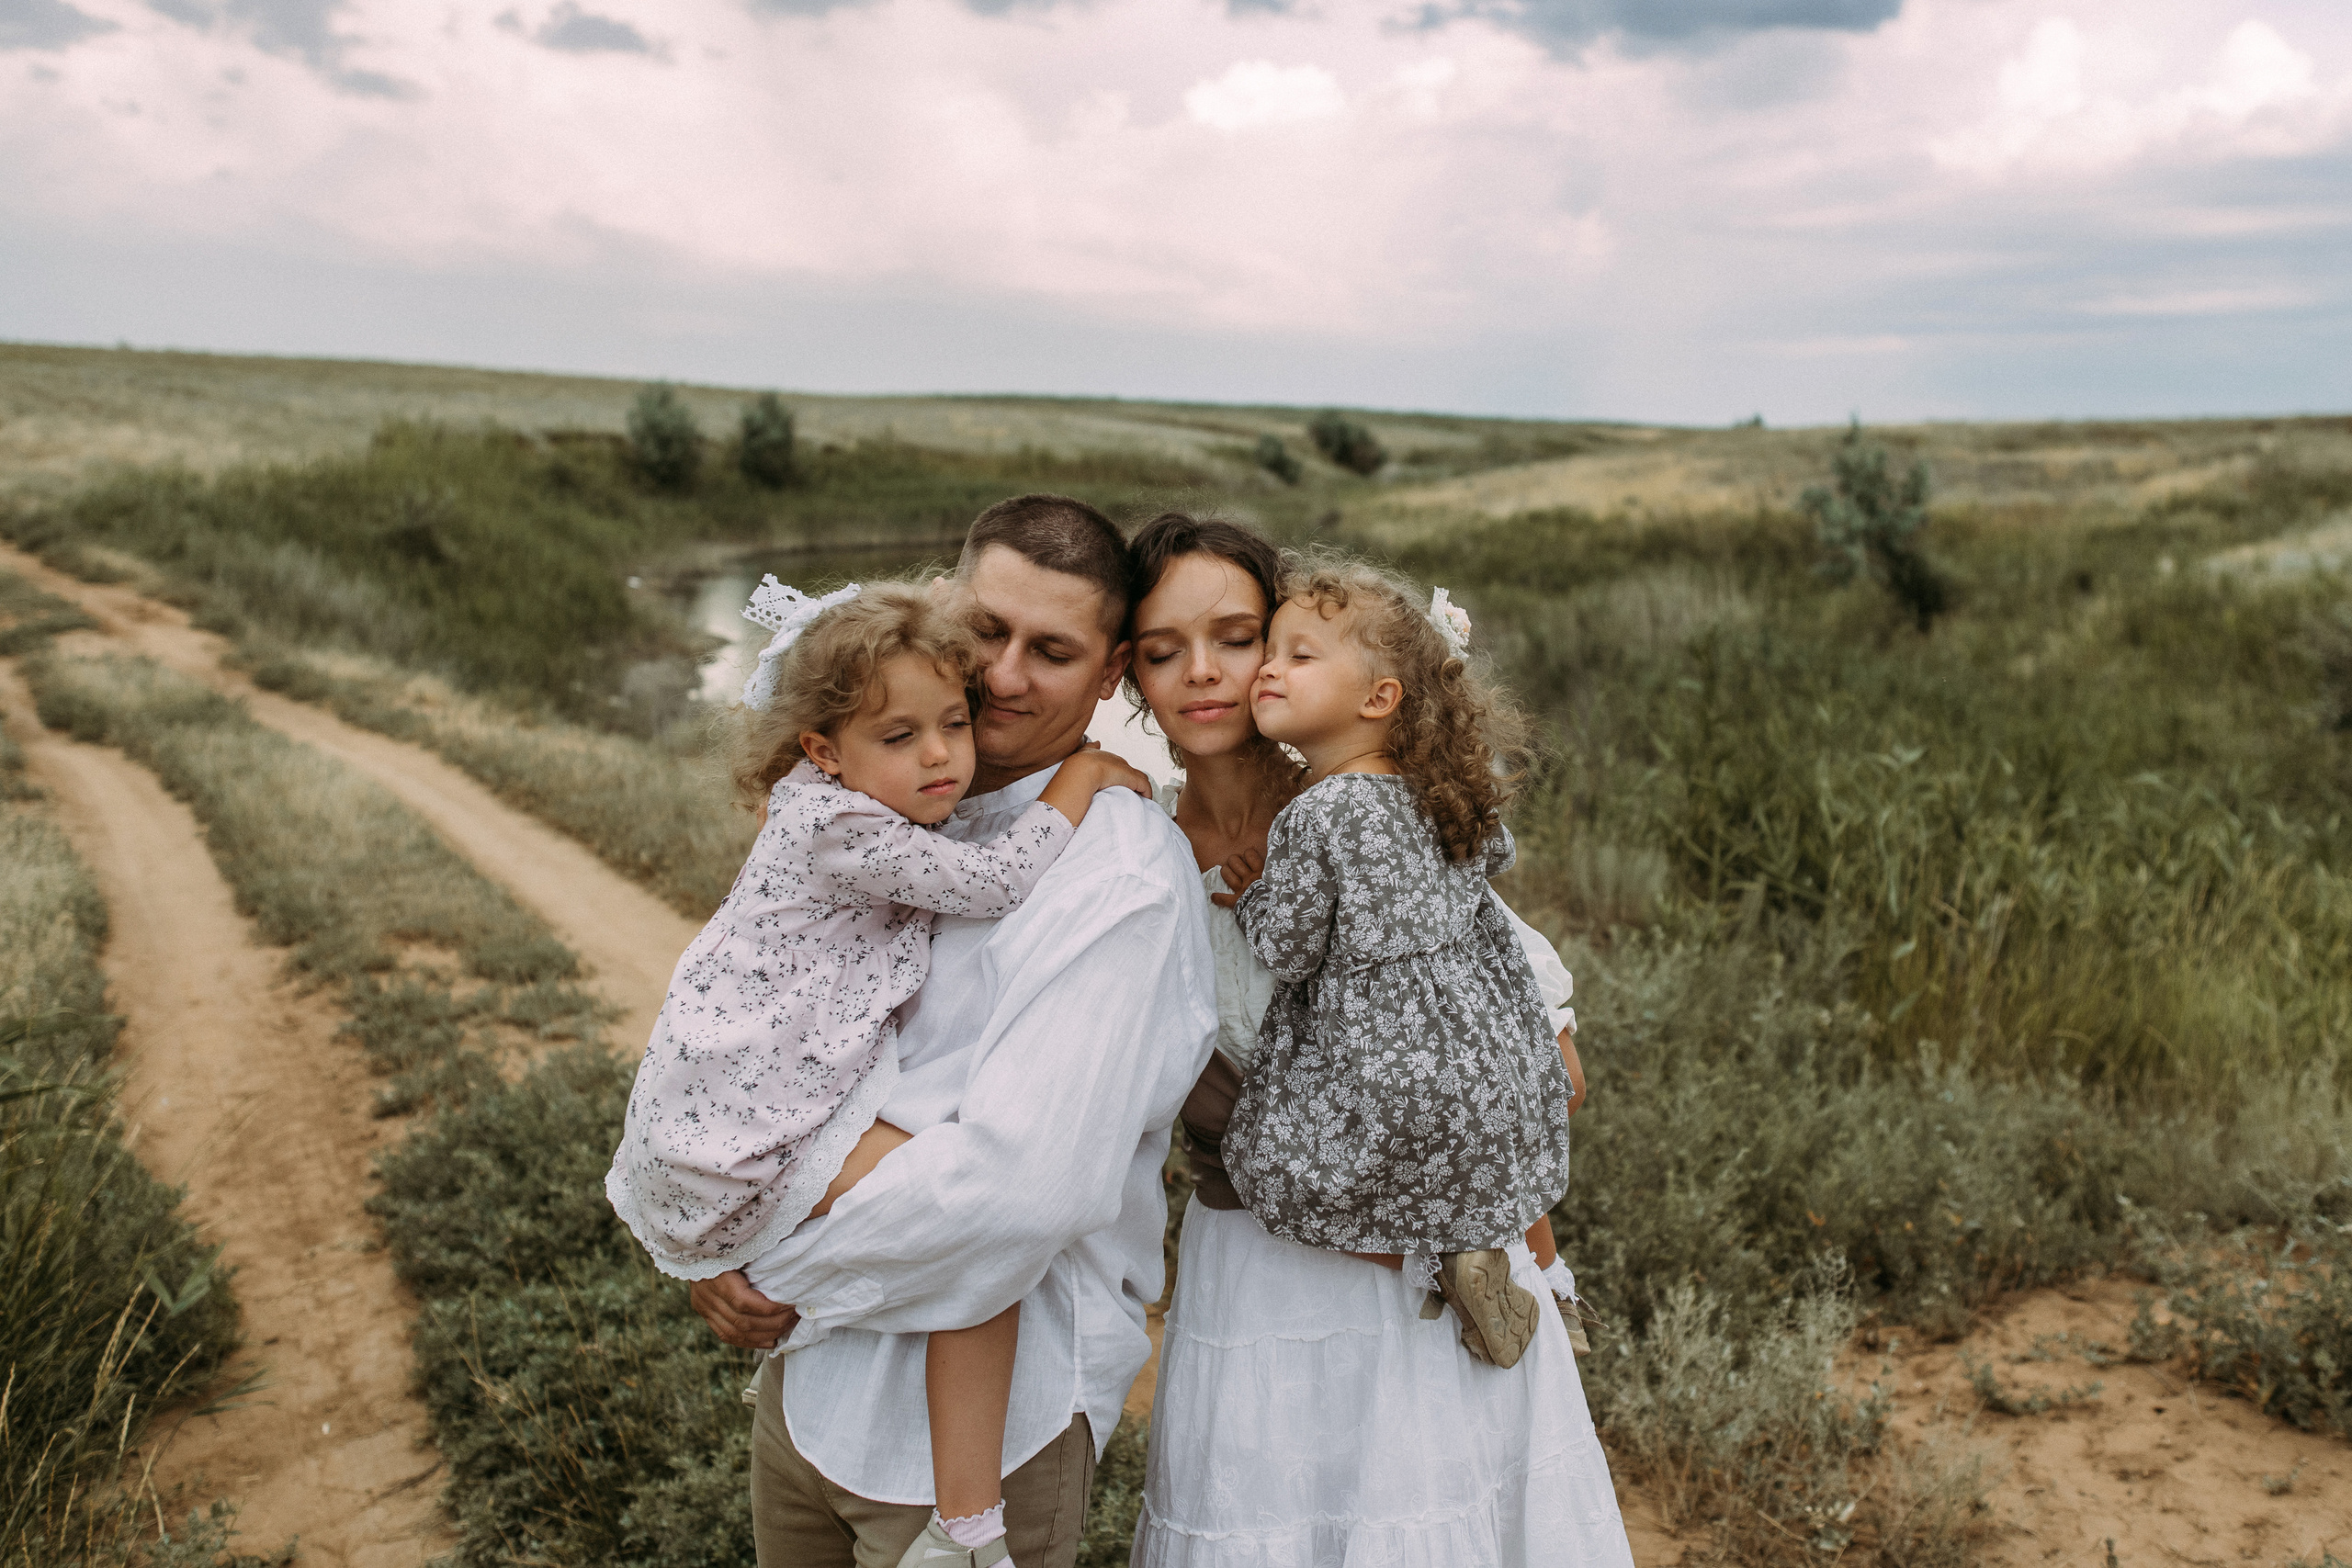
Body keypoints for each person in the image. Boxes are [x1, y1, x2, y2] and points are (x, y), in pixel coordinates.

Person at [686, 495, 1216, 1568]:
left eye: (1052, 651)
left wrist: (772, 1257)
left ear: (1110, 673)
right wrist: (713, 1234)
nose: (1007, 674)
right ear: (943, 606)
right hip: (812, 1394)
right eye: (987, 629)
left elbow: (1019, 1192)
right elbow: (764, 1045)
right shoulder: (889, 802)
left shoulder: (1116, 876)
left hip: (980, 1448)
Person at [1121, 514, 1630, 1567]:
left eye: (1241, 637)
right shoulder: (1126, 843)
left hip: (1421, 1258)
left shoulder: (1367, 812)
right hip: (1258, 1256)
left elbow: (1548, 1057)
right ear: (1129, 671)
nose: (1206, 673)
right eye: (1163, 649)